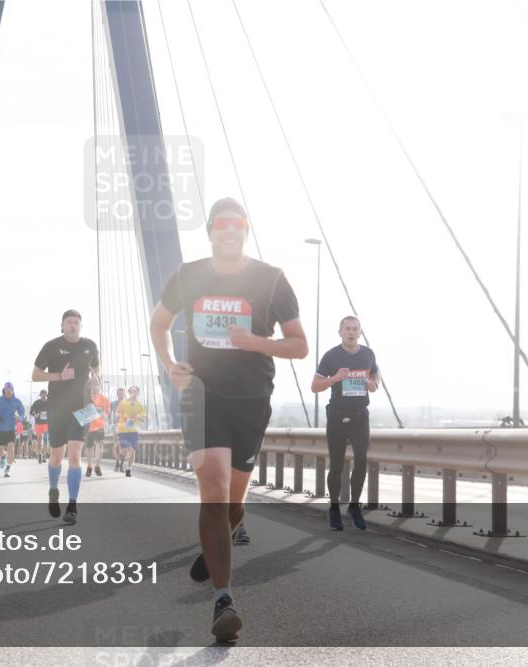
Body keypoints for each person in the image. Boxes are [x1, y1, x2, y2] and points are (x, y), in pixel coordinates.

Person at [149, 197, 306, 642]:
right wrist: (169, 364)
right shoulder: (188, 275)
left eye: (238, 223)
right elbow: (159, 324)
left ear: (246, 231)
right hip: (202, 397)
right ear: (211, 232)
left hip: (252, 399)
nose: (231, 230)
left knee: (235, 504)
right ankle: (224, 599)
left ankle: (216, 544)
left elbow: (299, 345)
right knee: (214, 491)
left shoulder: (272, 279)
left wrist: (258, 342)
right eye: (222, 224)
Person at [311, 315, 380, 531]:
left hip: (359, 416)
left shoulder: (368, 354)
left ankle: (354, 506)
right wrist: (334, 378)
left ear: (360, 332)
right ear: (340, 332)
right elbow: (314, 386)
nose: (351, 332)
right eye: (347, 329)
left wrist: (373, 385)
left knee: (361, 459)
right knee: (337, 465)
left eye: (355, 329)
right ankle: (334, 508)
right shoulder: (331, 356)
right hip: (337, 417)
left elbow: (376, 375)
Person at [32, 309, 101, 524]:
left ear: (81, 326)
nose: (73, 325)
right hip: (57, 408)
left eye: (76, 322)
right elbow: (35, 375)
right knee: (56, 456)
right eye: (69, 322)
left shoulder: (90, 346)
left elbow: (96, 367)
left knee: (74, 456)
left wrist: (96, 379)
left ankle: (72, 505)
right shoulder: (51, 346)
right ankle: (53, 490)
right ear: (62, 326)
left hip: (83, 408)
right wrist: (60, 376)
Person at [0, 382, 25, 478]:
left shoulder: (16, 401)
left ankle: (8, 468)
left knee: (11, 448)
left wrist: (19, 418)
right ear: (4, 390)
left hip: (11, 428)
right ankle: (2, 457)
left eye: (10, 390)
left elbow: (22, 412)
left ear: (13, 390)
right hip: (0, 428)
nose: (8, 392)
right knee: (0, 451)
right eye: (7, 390)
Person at [116, 385, 146, 477]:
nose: (134, 393)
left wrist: (137, 416)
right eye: (132, 391)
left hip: (134, 431)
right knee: (124, 451)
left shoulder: (140, 405)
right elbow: (117, 413)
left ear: (138, 393)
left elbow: (143, 418)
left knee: (132, 450)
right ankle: (121, 455)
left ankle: (128, 469)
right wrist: (124, 416)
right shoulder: (123, 402)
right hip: (123, 430)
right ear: (129, 393)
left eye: (135, 391)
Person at [85, 380, 110, 477]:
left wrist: (104, 414)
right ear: (90, 386)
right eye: (93, 384)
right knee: (89, 448)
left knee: (99, 446)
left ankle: (97, 466)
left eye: (97, 384)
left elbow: (107, 411)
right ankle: (89, 466)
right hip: (88, 426)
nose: (95, 386)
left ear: (100, 386)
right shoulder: (86, 398)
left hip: (100, 426)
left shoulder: (104, 398)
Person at [31, 389, 51, 463]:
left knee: (45, 439)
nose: (44, 395)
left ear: (46, 395)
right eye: (42, 394)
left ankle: (44, 456)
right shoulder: (36, 402)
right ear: (40, 395)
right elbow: (31, 411)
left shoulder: (49, 402)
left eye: (45, 394)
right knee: (39, 440)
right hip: (38, 423)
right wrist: (34, 415)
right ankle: (39, 454)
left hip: (46, 423)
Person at [109, 387, 126, 471]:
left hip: (125, 427)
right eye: (119, 394)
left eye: (122, 394)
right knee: (116, 446)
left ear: (124, 395)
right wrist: (110, 422)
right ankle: (117, 464)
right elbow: (108, 413)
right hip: (116, 427)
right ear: (117, 394)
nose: (121, 396)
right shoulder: (113, 403)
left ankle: (121, 465)